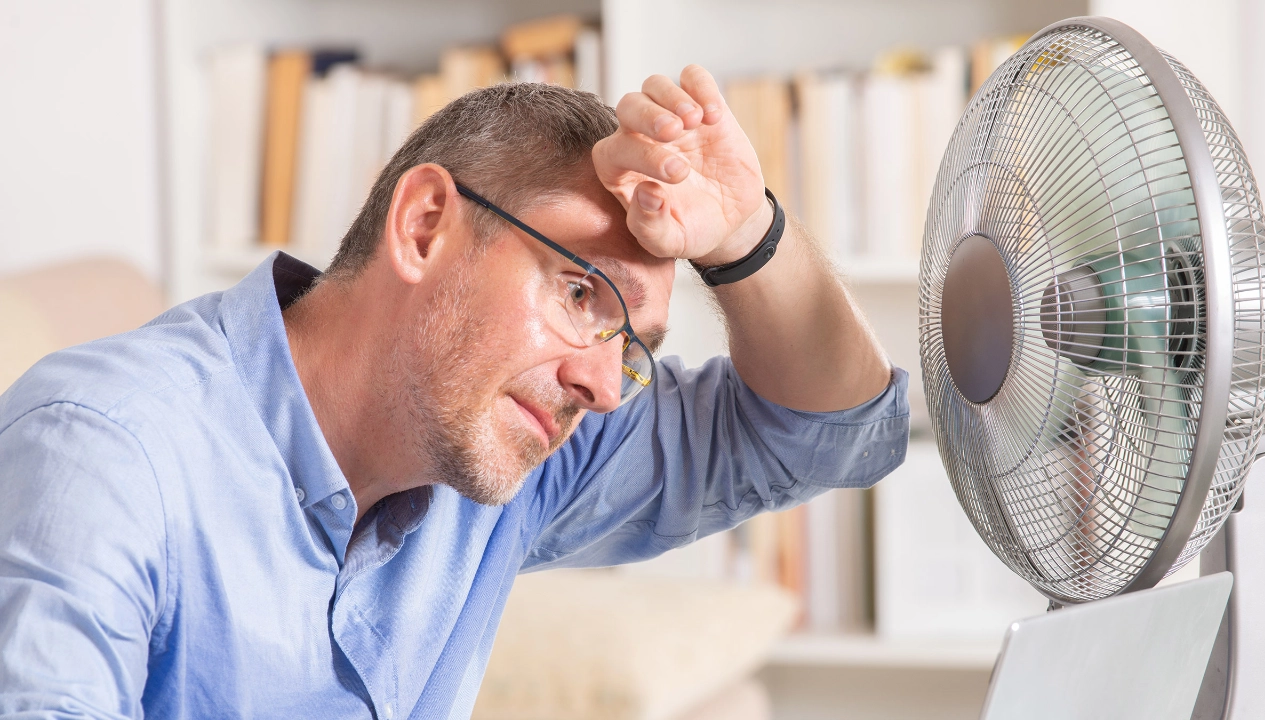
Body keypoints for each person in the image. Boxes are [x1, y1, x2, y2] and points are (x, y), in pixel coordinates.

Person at [0, 66, 907, 718]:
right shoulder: (103, 452)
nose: (601, 382)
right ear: (426, 225)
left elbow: (836, 435)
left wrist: (745, 232)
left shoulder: (506, 445)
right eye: (580, 293)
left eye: (635, 348)